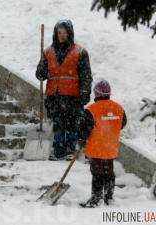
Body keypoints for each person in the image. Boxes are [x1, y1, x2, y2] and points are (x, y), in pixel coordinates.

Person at [36, 19, 92, 160]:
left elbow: (86, 75)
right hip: (54, 95)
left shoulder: (80, 52)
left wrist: (85, 92)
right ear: (56, 33)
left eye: (64, 32)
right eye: (59, 32)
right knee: (58, 123)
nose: (61, 35)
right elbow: (39, 74)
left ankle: (70, 149)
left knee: (72, 123)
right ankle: (58, 149)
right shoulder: (48, 52)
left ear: (70, 33)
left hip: (73, 96)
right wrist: (42, 69)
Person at [78, 79, 127, 207]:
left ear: (96, 93)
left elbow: (84, 129)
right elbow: (122, 123)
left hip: (96, 148)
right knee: (109, 172)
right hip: (110, 147)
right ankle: (109, 198)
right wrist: (110, 131)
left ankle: (96, 199)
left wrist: (82, 140)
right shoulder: (118, 108)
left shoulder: (91, 110)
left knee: (97, 174)